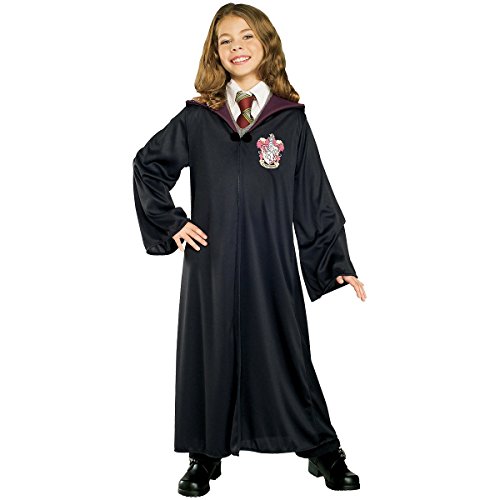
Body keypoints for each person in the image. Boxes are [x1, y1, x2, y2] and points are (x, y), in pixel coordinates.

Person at [133, 3, 367, 497]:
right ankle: (205, 453)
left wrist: (335, 262)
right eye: (225, 40)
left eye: (246, 36)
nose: (236, 46)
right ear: (214, 52)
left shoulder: (289, 121)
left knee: (286, 348)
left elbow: (314, 196)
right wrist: (173, 223)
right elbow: (148, 165)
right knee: (210, 349)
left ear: (266, 45)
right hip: (211, 261)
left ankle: (321, 448)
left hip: (270, 259)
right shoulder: (199, 118)